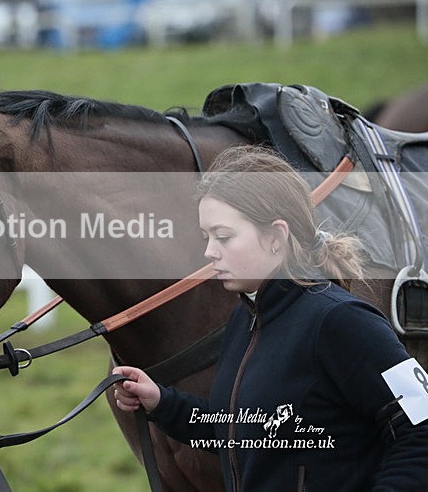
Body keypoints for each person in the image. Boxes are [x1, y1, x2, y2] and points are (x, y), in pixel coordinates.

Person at [113, 145, 428, 491]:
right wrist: (162, 402)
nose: (209, 252)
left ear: (276, 237)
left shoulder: (342, 322)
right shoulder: (244, 322)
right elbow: (247, 431)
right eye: (207, 237)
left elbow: (421, 426)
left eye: (224, 236)